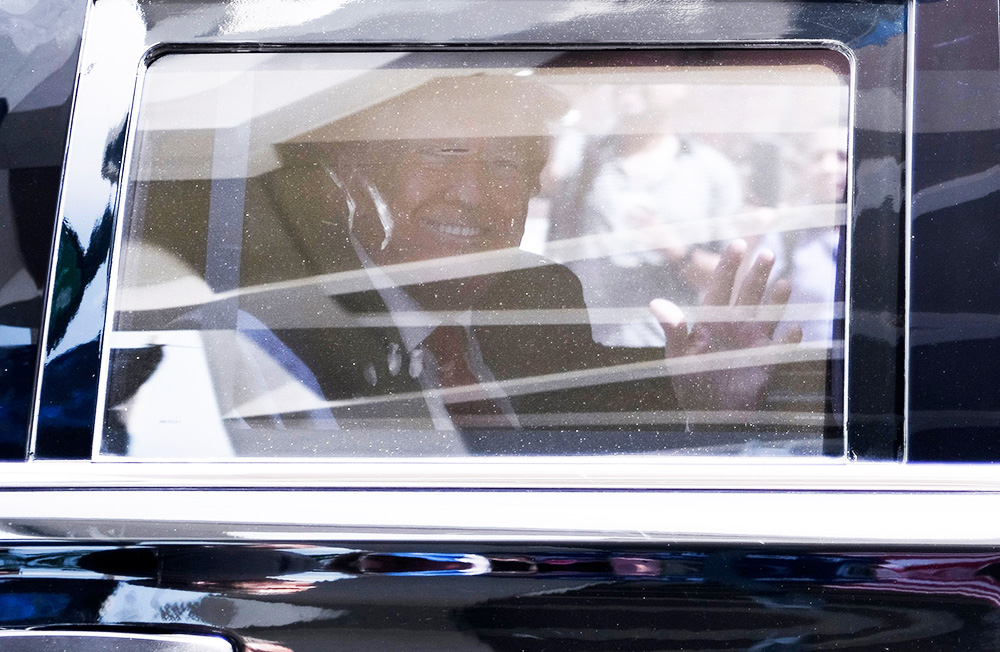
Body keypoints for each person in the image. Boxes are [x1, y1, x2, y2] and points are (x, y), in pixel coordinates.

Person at [246, 72, 801, 454]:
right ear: (356, 177)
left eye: (507, 165)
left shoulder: (537, 296)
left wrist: (702, 411)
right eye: (444, 154)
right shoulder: (283, 338)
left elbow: (592, 450)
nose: (471, 192)